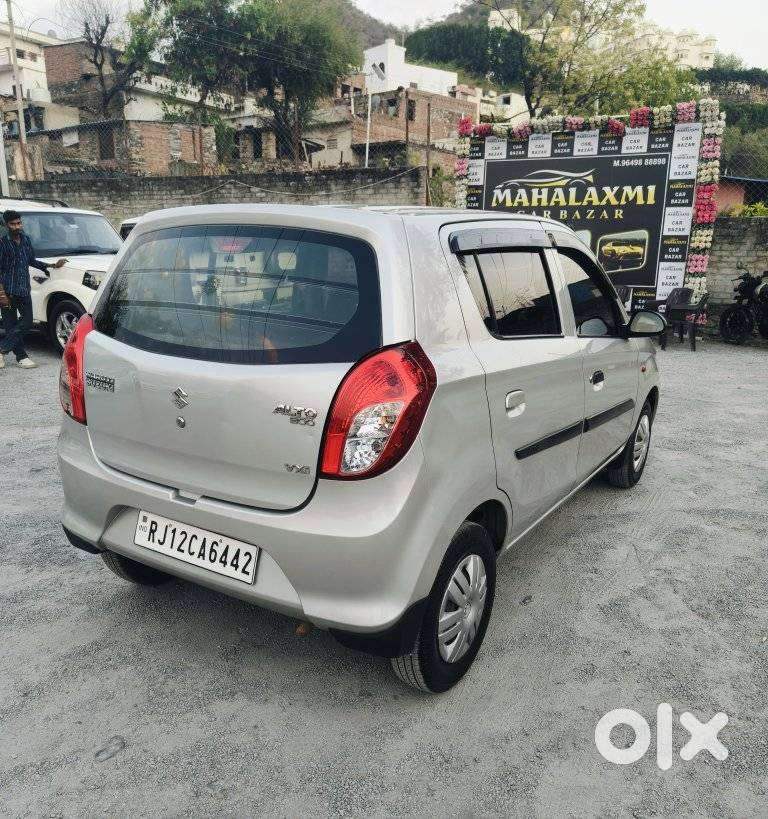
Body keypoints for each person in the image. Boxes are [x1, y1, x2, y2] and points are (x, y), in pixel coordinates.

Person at [0, 210, 66, 369]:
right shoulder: (2, 243)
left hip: (23, 290)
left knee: (27, 321)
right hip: (7, 291)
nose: (17, 226)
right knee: (10, 325)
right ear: (6, 225)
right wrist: (1, 294)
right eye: (13, 224)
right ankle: (21, 357)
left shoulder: (26, 240)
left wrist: (51, 266)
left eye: (19, 223)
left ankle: (2, 349)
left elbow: (31, 260)